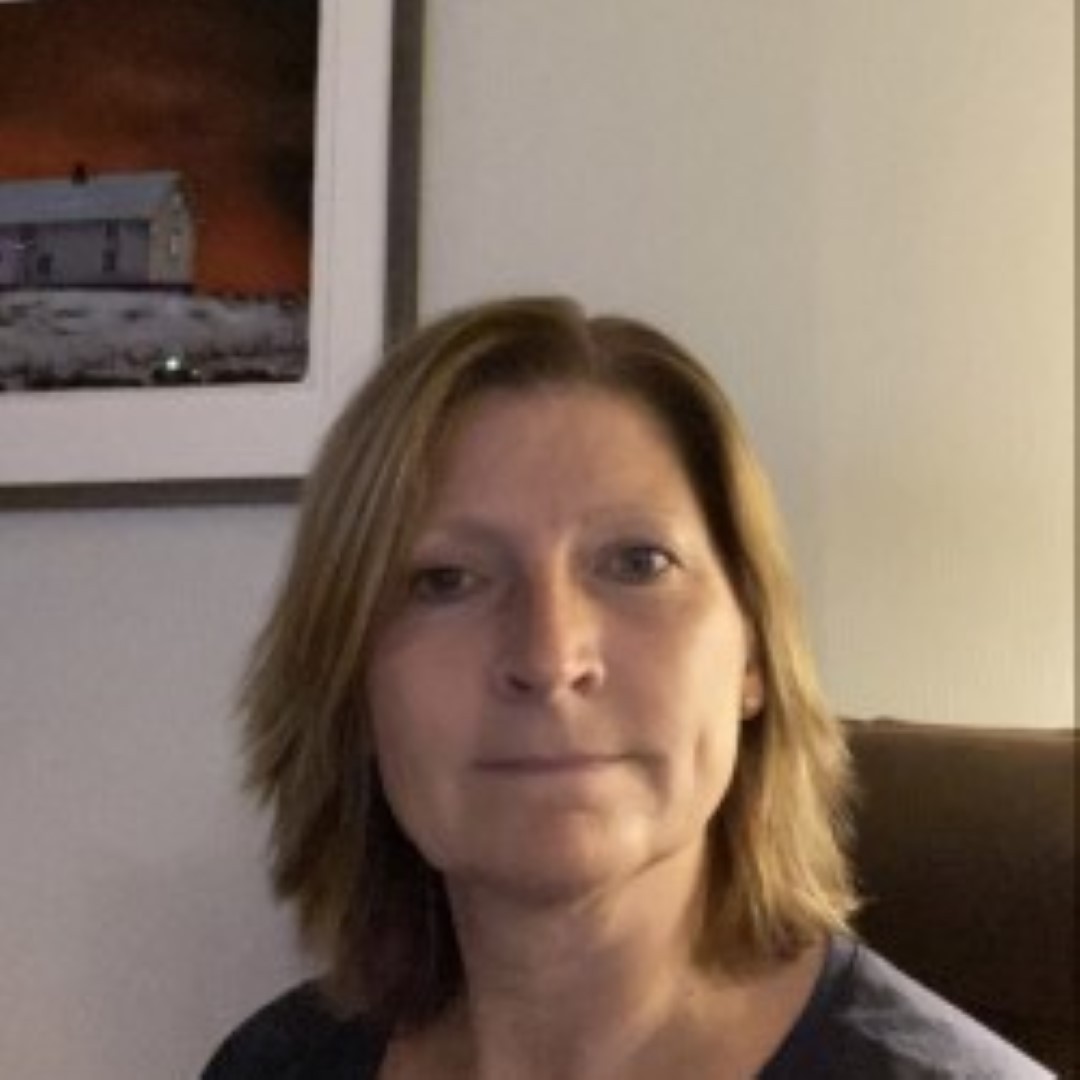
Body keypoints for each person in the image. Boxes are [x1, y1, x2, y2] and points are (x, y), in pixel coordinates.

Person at [203, 297, 1048, 1079]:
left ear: (753, 655)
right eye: (447, 580)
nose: (549, 656)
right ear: (349, 676)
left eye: (638, 564)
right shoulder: (272, 1066)